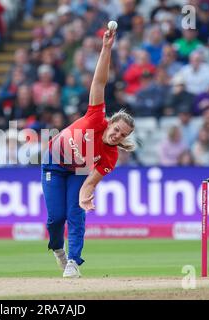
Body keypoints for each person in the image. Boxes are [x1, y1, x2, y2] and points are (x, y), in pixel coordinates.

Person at [41, 28, 135, 278]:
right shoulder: (96, 117)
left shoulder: (110, 157)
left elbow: (91, 181)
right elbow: (99, 82)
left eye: (123, 135)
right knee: (55, 218)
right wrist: (106, 48)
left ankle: (73, 261)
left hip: (78, 171)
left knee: (75, 213)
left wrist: (84, 196)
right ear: (111, 122)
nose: (118, 135)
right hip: (53, 163)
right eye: (117, 129)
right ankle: (58, 250)